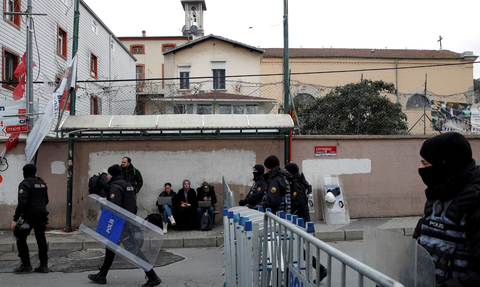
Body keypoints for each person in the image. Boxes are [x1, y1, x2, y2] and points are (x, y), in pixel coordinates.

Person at [413, 132, 480, 287]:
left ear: (445, 165)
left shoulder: (474, 202)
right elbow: (417, 248)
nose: (421, 169)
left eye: (426, 164)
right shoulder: (437, 197)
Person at [88, 164, 161, 287]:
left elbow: (114, 208)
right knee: (110, 248)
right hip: (127, 222)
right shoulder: (127, 185)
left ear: (113, 175)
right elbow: (131, 205)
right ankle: (102, 275)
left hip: (120, 225)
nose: (108, 176)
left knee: (135, 251)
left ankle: (152, 276)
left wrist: (103, 203)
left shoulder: (115, 187)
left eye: (109, 174)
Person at [11, 164, 49, 274]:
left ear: (25, 172)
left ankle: (26, 265)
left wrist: (15, 218)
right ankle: (44, 265)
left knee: (21, 237)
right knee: (41, 238)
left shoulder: (25, 184)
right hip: (42, 214)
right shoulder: (41, 182)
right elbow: (46, 200)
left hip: (30, 215)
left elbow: (22, 202)